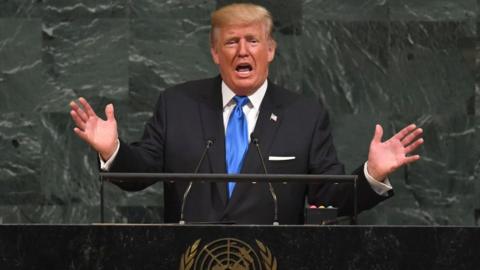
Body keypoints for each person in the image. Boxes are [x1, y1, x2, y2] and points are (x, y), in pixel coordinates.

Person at [69, 3, 423, 224]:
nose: (243, 51)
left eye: (252, 41)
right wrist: (111, 150)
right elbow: (140, 174)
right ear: (214, 52)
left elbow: (329, 196)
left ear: (270, 50)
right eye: (231, 42)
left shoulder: (304, 114)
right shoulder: (177, 104)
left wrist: (371, 174)